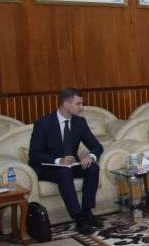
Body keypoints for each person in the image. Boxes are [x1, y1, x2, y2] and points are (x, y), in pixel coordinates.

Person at [29, 88, 104, 235]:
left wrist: (91, 157)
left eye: (82, 104)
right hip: (48, 167)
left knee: (93, 168)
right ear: (66, 104)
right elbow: (34, 154)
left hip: (70, 165)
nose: (82, 107)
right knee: (64, 172)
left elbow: (97, 146)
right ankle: (78, 218)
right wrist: (58, 160)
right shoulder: (43, 123)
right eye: (78, 104)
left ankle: (87, 211)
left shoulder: (79, 122)